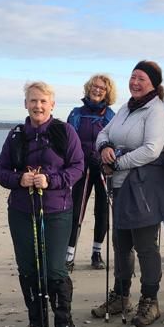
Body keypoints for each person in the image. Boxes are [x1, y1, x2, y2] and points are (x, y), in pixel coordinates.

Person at [0, 82, 84, 327]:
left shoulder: (65, 131)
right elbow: (0, 170)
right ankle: (37, 323)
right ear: (25, 104)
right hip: (22, 210)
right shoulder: (15, 135)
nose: (38, 106)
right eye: (33, 101)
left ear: (52, 104)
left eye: (43, 101)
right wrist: (18, 179)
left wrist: (51, 180)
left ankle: (64, 323)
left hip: (56, 210)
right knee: (28, 268)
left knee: (55, 268)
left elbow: (78, 167)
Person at [94, 61, 164, 327]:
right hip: (119, 186)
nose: (135, 82)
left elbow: (152, 149)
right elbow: (104, 131)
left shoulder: (157, 111)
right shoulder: (126, 108)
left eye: (141, 78)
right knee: (120, 243)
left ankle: (150, 301)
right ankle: (120, 295)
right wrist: (104, 146)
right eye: (132, 77)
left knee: (145, 246)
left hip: (144, 187)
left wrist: (117, 162)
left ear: (153, 83)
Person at [65, 74, 117, 271]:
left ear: (107, 92)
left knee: (102, 211)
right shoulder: (77, 113)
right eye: (95, 87)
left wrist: (109, 159)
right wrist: (79, 160)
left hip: (103, 167)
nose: (97, 90)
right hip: (82, 167)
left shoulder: (111, 115)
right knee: (76, 210)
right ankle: (69, 253)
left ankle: (97, 252)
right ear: (88, 88)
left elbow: (115, 140)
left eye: (102, 88)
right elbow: (70, 140)